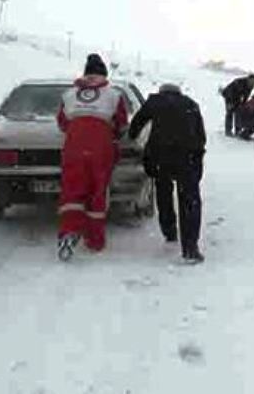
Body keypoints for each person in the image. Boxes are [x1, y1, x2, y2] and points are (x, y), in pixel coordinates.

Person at [56, 54, 128, 261]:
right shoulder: (114, 95)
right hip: (101, 146)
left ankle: (68, 232)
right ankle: (94, 240)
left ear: (85, 73)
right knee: (97, 190)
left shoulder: (69, 94)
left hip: (74, 145)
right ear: (104, 74)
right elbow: (121, 124)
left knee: (72, 189)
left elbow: (62, 122)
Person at [129, 83, 206, 263]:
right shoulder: (191, 104)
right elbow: (201, 136)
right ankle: (190, 248)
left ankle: (170, 231)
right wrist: (197, 158)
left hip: (161, 156)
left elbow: (137, 123)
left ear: (161, 92)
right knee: (190, 200)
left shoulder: (155, 102)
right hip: (187, 156)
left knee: (164, 192)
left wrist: (133, 137)